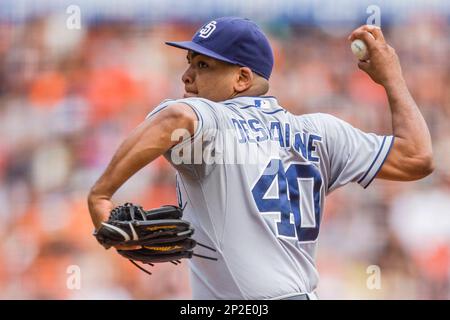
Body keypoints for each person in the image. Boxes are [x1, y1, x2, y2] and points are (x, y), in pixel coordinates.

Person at [87, 17, 434, 300]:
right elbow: (416, 157)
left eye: (203, 64)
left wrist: (101, 195)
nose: (187, 75)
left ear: (241, 78)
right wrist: (392, 79)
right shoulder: (321, 131)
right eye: (190, 62)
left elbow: (174, 119)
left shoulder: (214, 120)